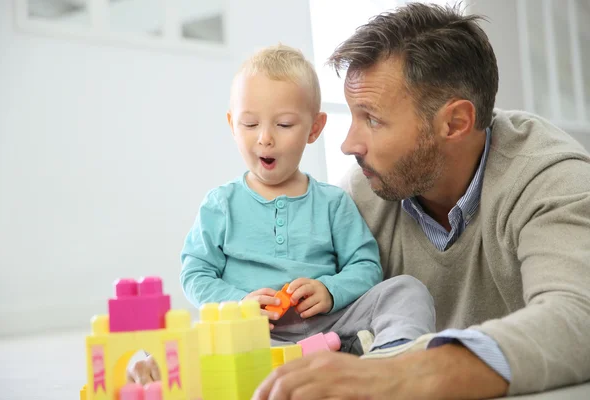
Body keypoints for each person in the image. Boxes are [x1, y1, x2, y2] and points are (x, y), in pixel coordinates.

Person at [252, 3, 590, 400]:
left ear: (454, 122)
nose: (348, 145)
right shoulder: (363, 193)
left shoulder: (549, 178)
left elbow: (578, 318)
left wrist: (401, 374)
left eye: (372, 119)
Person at [127, 44, 436, 383]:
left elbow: (366, 266)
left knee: (405, 289)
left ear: (314, 129)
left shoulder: (333, 202)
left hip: (329, 323)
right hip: (248, 334)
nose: (265, 138)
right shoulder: (221, 204)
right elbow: (196, 273)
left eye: (285, 124)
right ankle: (159, 371)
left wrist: (330, 290)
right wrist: (239, 303)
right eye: (250, 124)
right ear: (233, 125)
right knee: (194, 338)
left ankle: (395, 356)